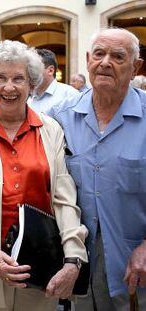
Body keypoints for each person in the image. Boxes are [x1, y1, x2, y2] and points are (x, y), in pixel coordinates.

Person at [0, 40, 88, 311]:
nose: (9, 87)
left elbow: (64, 197)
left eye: (19, 78)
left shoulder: (50, 130)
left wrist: (73, 256)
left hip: (40, 267)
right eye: (0, 77)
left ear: (32, 84)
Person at [49, 27, 146, 311]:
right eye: (99, 54)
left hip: (134, 273)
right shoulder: (60, 117)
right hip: (77, 267)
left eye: (118, 56)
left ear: (135, 67)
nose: (105, 62)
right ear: (89, 59)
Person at [27, 49, 79, 113]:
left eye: (35, 69)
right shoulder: (27, 97)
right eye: (30, 69)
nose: (30, 73)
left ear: (50, 71)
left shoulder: (70, 95)